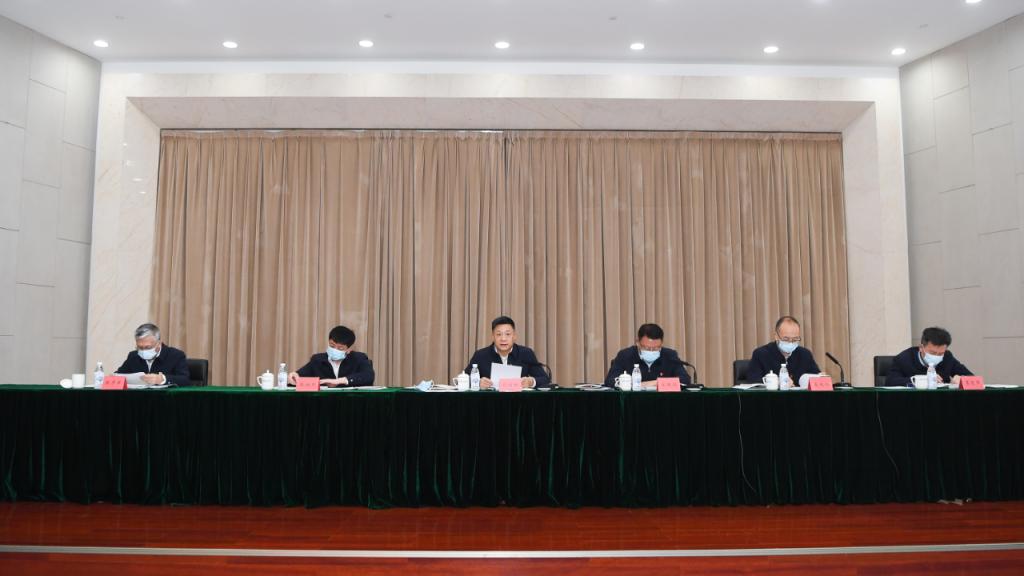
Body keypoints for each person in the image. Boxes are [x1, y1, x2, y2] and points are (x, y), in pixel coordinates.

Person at [465, 316, 551, 389]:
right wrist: (477, 382)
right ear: (493, 337)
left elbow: (545, 379)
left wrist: (531, 381)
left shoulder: (525, 353)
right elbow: (463, 379)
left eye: (508, 334)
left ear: (514, 336)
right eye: (499, 334)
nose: (503, 339)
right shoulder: (480, 355)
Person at [604, 323, 692, 387]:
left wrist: (656, 382)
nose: (651, 351)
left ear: (662, 344)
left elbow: (685, 380)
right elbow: (610, 381)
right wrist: (636, 385)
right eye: (647, 348)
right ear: (638, 343)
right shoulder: (625, 355)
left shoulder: (670, 356)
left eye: (656, 348)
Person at [289, 325, 375, 387]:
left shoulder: (359, 358)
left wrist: (339, 381)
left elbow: (368, 376)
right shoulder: (318, 360)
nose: (335, 350)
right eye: (332, 345)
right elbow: (300, 375)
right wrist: (293, 376)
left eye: (340, 348)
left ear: (349, 349)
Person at [747, 315, 824, 385]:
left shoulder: (805, 354)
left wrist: (822, 378)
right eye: (786, 339)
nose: (791, 342)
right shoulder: (761, 354)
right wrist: (776, 382)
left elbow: (816, 377)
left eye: (795, 339)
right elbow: (753, 382)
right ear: (776, 336)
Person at [885, 326, 972, 388]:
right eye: (932, 353)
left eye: (940, 353)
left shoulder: (947, 357)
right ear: (921, 348)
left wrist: (962, 379)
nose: (936, 356)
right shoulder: (904, 358)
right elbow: (890, 382)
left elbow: (971, 377)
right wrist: (921, 380)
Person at [115, 323, 190, 386]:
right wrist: (113, 377)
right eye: (140, 347)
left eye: (148, 347)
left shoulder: (175, 355)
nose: (143, 351)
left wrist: (163, 379)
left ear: (159, 343)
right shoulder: (133, 356)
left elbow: (185, 380)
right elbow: (119, 375)